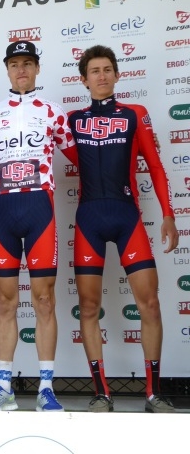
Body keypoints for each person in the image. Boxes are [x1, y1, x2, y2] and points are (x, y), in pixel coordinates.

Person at [67, 45, 178, 413]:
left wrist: (168, 215)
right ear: (84, 80)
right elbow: (26, 134)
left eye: (107, 69)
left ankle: (153, 393)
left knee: (150, 304)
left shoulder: (135, 114)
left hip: (127, 216)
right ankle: (102, 393)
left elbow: (156, 167)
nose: (101, 76)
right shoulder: (71, 120)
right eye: (94, 71)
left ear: (117, 74)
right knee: (88, 307)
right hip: (89, 219)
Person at [0, 41, 78, 412]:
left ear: (37, 68)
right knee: (5, 301)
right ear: (7, 69)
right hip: (2, 212)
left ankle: (46, 387)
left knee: (44, 300)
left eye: (28, 63)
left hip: (38, 211)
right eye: (15, 64)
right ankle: (4, 387)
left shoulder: (53, 112)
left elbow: (81, 155)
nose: (21, 70)